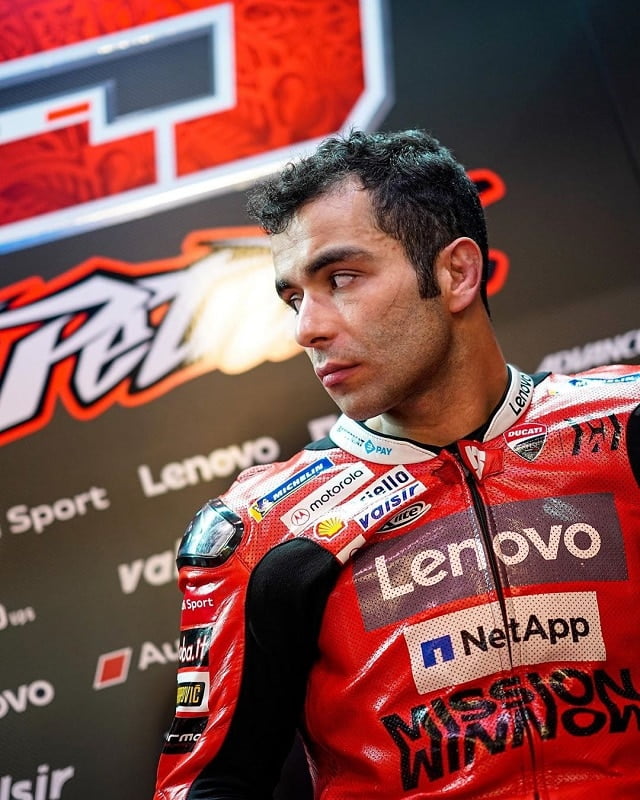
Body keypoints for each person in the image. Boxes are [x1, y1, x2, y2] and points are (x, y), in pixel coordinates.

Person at [153, 129, 640, 799]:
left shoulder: (624, 431)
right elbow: (211, 787)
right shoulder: (266, 530)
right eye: (294, 298)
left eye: (340, 279)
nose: (306, 329)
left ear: (456, 273)